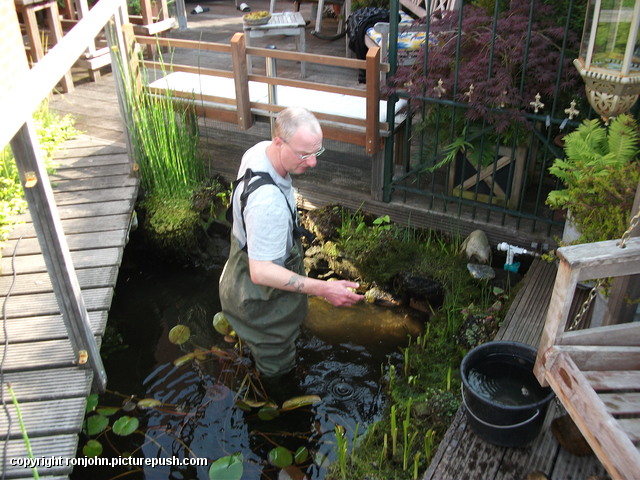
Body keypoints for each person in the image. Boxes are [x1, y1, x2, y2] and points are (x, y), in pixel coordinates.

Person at [219, 107, 363, 381]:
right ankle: (277, 413)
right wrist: (324, 289)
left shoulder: (259, 152)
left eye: (316, 152)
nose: (312, 163)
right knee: (278, 372)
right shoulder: (267, 204)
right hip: (258, 299)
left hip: (235, 275)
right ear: (279, 142)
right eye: (303, 154)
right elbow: (261, 272)